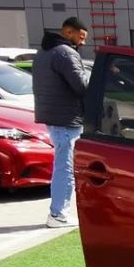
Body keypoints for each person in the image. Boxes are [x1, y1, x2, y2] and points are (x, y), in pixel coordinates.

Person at [32, 16, 89, 227]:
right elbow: (81, 86)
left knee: (63, 165)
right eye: (80, 37)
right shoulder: (65, 53)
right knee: (65, 167)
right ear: (68, 32)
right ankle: (58, 214)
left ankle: (59, 212)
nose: (82, 42)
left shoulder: (44, 53)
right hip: (66, 118)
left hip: (55, 117)